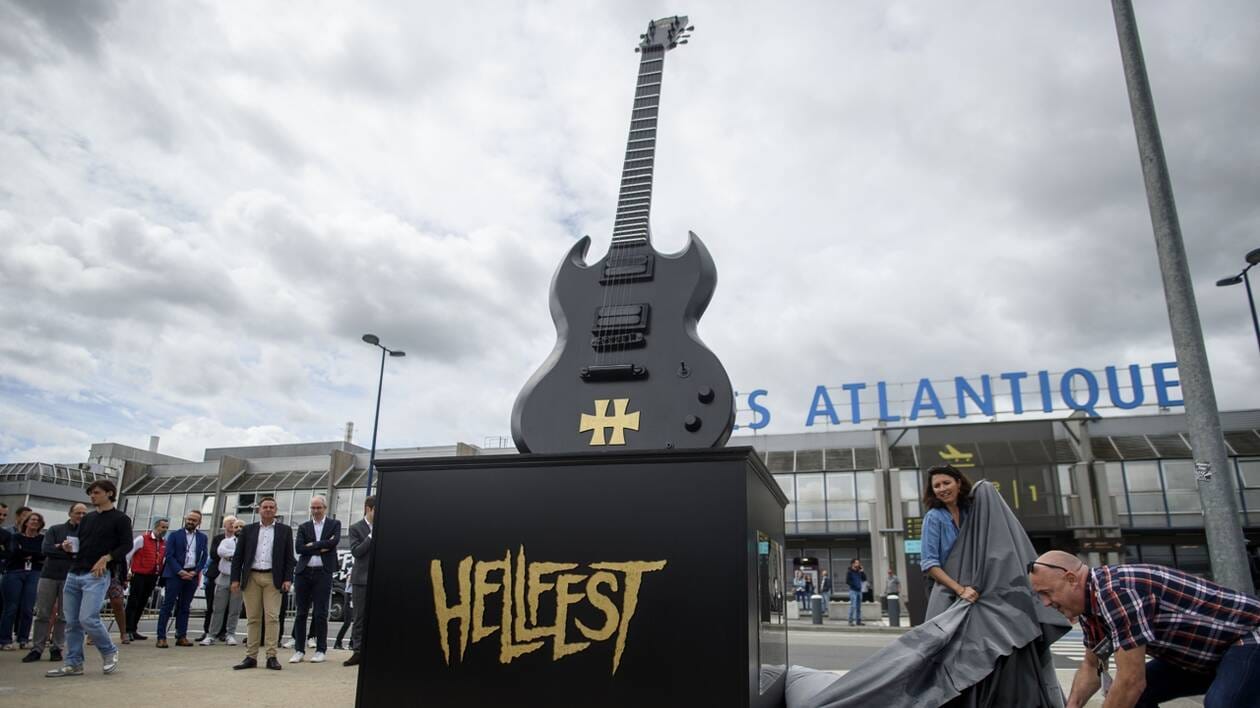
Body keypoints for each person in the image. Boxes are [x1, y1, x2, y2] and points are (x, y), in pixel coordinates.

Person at [1029, 550, 1260, 708]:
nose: (1046, 603)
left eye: (1047, 593)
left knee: (1224, 703)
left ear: (1071, 579)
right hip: (1206, 656)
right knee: (1131, 697)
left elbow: (1131, 681)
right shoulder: (1090, 607)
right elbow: (1091, 666)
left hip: (1247, 637)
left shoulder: (1117, 592)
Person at [47, 479, 132, 678]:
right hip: (75, 572)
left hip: (97, 575)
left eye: (96, 492)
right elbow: (82, 544)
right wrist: (70, 549)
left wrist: (107, 557)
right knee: (72, 621)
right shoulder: (88, 519)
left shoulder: (120, 519)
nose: (92, 496)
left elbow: (126, 545)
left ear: (109, 493)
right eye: (91, 493)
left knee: (88, 618)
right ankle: (74, 663)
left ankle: (109, 650)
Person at [231, 497, 295, 671]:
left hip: (272, 578)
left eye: (271, 507)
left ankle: (271, 656)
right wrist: (235, 579)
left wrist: (288, 578)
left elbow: (290, 558)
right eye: (265, 507)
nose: (268, 510)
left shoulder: (285, 530)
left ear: (276, 510)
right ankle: (251, 656)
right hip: (251, 577)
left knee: (272, 617)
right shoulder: (248, 530)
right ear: (259, 510)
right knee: (253, 618)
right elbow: (238, 556)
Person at [26, 503, 85, 662]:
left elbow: (83, 554)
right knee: (43, 612)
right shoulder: (55, 530)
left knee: (64, 615)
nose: (81, 516)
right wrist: (61, 548)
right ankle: (37, 647)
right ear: (70, 513)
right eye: (78, 513)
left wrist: (69, 553)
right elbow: (46, 550)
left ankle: (57, 647)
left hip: (71, 576)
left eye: (84, 513)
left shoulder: (85, 533)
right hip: (49, 575)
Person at [291, 494, 341, 664]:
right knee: (301, 613)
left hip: (323, 572)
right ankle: (299, 649)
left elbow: (334, 543)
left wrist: (312, 545)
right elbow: (299, 549)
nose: (316, 510)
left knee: (320, 613)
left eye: (319, 507)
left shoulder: (334, 524)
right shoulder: (304, 527)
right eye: (313, 507)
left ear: (325, 508)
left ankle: (321, 649)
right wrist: (321, 546)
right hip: (304, 572)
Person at [920, 464, 979, 604]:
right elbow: (929, 564)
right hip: (944, 588)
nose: (942, 489)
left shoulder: (970, 512)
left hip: (970, 585)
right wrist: (960, 590)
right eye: (937, 486)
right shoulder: (933, 517)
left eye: (946, 483)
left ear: (958, 483)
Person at [156, 510, 207, 648]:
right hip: (175, 574)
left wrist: (195, 572)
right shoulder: (175, 535)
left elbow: (203, 557)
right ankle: (161, 637)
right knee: (168, 605)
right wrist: (180, 571)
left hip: (191, 575)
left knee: (185, 607)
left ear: (199, 522)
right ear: (185, 519)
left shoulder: (203, 537)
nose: (191, 522)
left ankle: (181, 635)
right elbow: (169, 555)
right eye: (189, 519)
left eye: (194, 520)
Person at [2, 511, 46, 649]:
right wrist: (32, 554)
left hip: (33, 572)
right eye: (32, 520)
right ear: (26, 522)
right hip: (15, 572)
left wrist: (28, 553)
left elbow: (43, 555)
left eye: (37, 521)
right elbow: (14, 552)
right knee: (11, 607)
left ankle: (23, 638)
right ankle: (4, 640)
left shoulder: (42, 539)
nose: (34, 523)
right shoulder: (15, 537)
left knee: (28, 607)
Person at [124, 517, 168, 641]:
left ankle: (134, 628)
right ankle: (127, 629)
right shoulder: (142, 539)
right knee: (133, 601)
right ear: (156, 527)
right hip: (139, 574)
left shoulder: (164, 543)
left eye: (166, 528)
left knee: (143, 602)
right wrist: (127, 571)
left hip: (153, 575)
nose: (164, 530)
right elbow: (128, 555)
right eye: (162, 527)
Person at [203, 517, 244, 646]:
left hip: (239, 578)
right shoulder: (226, 541)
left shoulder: (249, 543)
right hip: (224, 576)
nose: (238, 529)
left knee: (234, 609)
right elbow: (221, 552)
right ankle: (211, 635)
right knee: (218, 608)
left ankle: (230, 634)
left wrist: (232, 556)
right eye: (236, 527)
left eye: (241, 527)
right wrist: (237, 555)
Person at [343, 495, 374, 667]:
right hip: (361, 579)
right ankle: (357, 651)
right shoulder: (356, 528)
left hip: (378, 578)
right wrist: (371, 536)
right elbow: (357, 552)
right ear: (368, 509)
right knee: (359, 617)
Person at [334, 573, 354, 650]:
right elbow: (349, 584)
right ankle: (338, 642)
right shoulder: (351, 572)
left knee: (355, 623)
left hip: (354, 597)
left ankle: (352, 643)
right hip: (349, 597)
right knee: (347, 623)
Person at [845, 559, 865, 626]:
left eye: (858, 563)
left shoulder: (859, 572)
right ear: (853, 564)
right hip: (853, 591)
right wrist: (855, 585)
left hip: (859, 591)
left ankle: (858, 621)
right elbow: (847, 581)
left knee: (858, 607)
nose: (858, 564)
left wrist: (862, 572)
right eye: (857, 563)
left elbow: (864, 579)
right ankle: (850, 621)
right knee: (853, 606)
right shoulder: (849, 572)